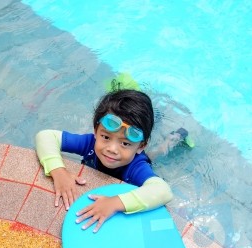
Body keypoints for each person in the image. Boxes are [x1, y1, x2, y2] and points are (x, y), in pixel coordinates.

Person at [36, 89, 173, 232]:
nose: (112, 149)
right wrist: (59, 172)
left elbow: (163, 191)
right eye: (106, 137)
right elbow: (45, 136)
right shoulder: (89, 143)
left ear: (141, 146)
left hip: (137, 160)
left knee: (157, 153)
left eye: (125, 143)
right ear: (96, 131)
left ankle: (174, 138)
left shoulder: (136, 166)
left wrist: (114, 203)